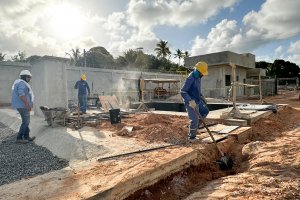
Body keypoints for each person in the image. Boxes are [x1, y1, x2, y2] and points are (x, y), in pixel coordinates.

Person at [180, 61, 209, 142]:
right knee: (194, 119)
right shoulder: (190, 78)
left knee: (205, 111)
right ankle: (191, 137)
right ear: (198, 71)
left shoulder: (198, 77)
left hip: (197, 99)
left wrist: (202, 97)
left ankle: (195, 128)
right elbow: (183, 91)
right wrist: (190, 101)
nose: (203, 75)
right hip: (190, 101)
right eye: (202, 73)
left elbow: (196, 90)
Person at [11, 70, 36, 143]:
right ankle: (19, 138)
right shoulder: (22, 83)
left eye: (30, 77)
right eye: (28, 77)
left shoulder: (18, 82)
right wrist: (27, 105)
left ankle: (26, 136)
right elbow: (21, 95)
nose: (30, 79)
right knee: (26, 122)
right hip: (23, 106)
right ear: (25, 77)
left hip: (21, 105)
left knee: (25, 121)